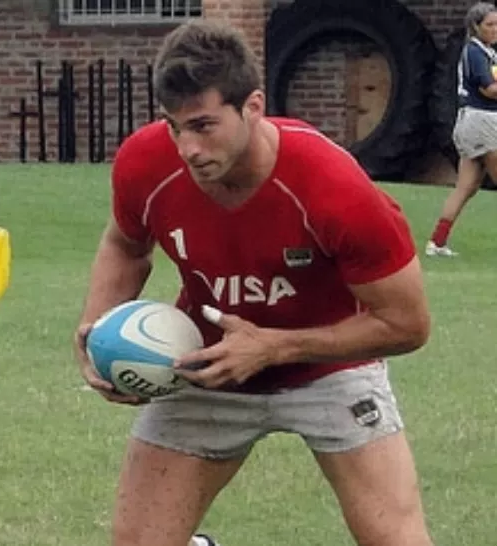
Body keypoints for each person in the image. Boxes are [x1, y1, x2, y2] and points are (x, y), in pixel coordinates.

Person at [74, 20, 434, 546]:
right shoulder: (145, 163)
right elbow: (125, 245)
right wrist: (95, 326)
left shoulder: (334, 187)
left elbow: (409, 325)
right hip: (207, 367)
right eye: (174, 127)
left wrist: (273, 348)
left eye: (203, 125)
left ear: (254, 107)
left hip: (331, 367)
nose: (187, 148)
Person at [427, 2, 497, 257]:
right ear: (475, 27)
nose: (495, 29)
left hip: (471, 122)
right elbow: (488, 89)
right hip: (482, 122)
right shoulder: (475, 52)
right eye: (489, 25)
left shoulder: (486, 52)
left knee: (465, 187)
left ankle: (437, 242)